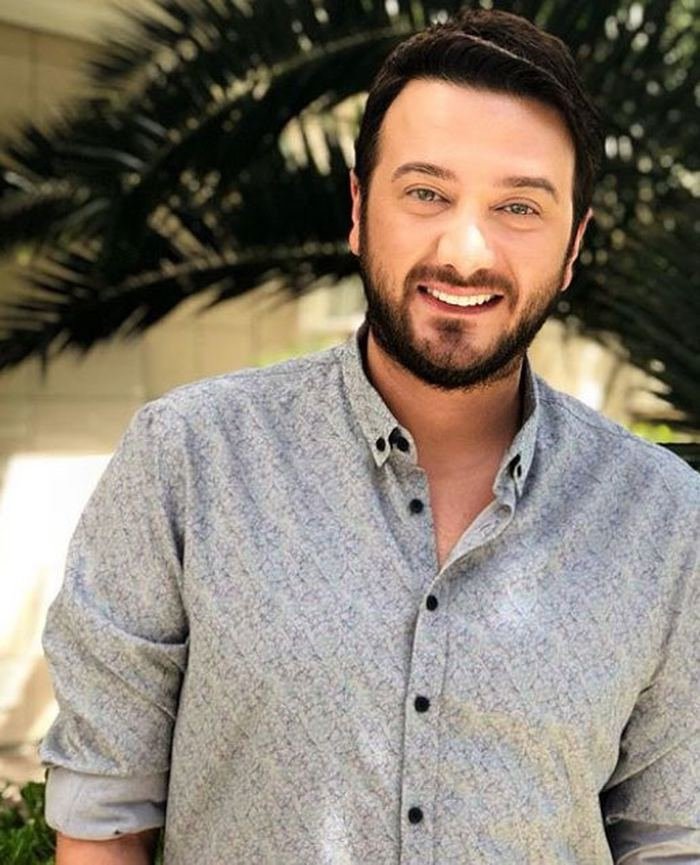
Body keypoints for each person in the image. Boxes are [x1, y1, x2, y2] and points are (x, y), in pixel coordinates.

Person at [41, 8, 699, 865]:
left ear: (573, 246)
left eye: (519, 206)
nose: (466, 250)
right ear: (358, 208)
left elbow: (672, 839)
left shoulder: (665, 521)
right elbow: (104, 820)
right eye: (426, 193)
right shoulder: (187, 461)